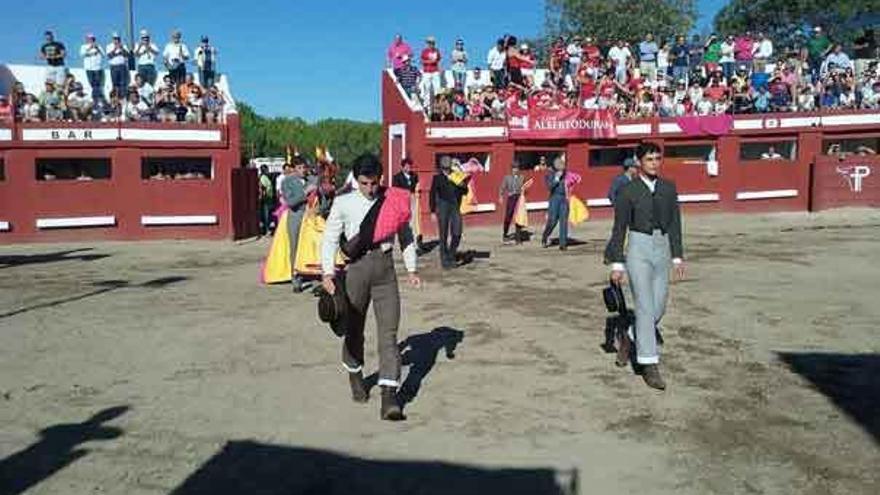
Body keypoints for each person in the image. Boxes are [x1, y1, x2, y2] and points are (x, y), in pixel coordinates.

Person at [321, 153, 421, 421]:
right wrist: (327, 273)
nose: (370, 189)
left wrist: (411, 269)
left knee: (388, 333)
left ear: (381, 178)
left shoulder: (393, 200)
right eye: (364, 183)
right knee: (354, 329)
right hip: (356, 270)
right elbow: (330, 238)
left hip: (386, 270)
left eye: (374, 183)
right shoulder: (343, 202)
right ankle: (355, 374)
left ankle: (389, 397)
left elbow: (406, 235)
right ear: (356, 179)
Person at [604, 141, 685, 391]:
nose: (654, 163)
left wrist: (677, 257)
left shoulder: (669, 189)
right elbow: (619, 229)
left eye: (657, 159)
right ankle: (649, 364)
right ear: (639, 162)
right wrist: (617, 263)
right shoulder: (628, 192)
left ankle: (630, 336)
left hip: (661, 247)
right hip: (638, 247)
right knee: (645, 307)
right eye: (649, 159)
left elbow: (674, 223)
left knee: (658, 307)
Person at [281, 157, 316, 292]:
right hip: (296, 216)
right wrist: (305, 192)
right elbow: (290, 202)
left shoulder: (312, 179)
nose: (303, 170)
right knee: (295, 247)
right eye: (299, 168)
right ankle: (296, 279)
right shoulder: (287, 181)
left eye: (304, 167)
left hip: (311, 217)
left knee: (312, 246)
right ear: (294, 169)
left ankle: (313, 275)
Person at [430, 156, 468, 269]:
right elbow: (432, 194)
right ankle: (444, 260)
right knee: (443, 234)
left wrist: (462, 185)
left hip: (455, 205)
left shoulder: (456, 176)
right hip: (442, 206)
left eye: (448, 167)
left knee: (457, 232)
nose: (447, 170)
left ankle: (451, 255)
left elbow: (465, 191)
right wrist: (432, 210)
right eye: (445, 168)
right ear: (442, 168)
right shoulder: (437, 178)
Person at [541, 156, 570, 250]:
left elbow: (571, 183)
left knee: (564, 221)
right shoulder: (550, 174)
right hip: (554, 198)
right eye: (559, 164)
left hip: (564, 199)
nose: (561, 166)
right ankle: (545, 237)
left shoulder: (566, 174)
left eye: (562, 164)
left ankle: (563, 244)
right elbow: (550, 187)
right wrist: (557, 178)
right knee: (552, 221)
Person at [392, 157, 421, 246]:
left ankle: (415, 242)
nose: (409, 168)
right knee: (404, 221)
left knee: (413, 219)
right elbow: (395, 191)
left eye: (410, 166)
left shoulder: (414, 176)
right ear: (403, 167)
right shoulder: (397, 177)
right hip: (402, 200)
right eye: (407, 166)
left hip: (412, 199)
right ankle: (405, 241)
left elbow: (417, 186)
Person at [499, 162, 525, 244]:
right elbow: (502, 188)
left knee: (518, 217)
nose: (515, 170)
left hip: (519, 198)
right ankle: (505, 233)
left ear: (518, 169)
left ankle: (518, 238)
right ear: (511, 169)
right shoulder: (507, 178)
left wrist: (524, 193)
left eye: (516, 168)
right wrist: (501, 196)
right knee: (508, 216)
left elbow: (525, 188)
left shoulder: (522, 177)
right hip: (511, 198)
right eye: (514, 168)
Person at [79, 34, 105, 101]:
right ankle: (96, 96)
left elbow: (103, 54)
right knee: (92, 83)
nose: (91, 40)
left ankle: (96, 96)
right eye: (89, 39)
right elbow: (82, 54)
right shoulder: (84, 46)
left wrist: (97, 48)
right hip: (89, 68)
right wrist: (90, 48)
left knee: (98, 84)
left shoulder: (98, 46)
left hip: (97, 68)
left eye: (92, 39)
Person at [419, 36, 442, 105]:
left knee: (437, 88)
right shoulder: (424, 51)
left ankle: (438, 103)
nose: (431, 44)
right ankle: (426, 104)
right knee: (427, 88)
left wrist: (433, 62)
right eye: (429, 42)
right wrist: (429, 62)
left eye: (432, 43)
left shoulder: (436, 51)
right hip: (427, 72)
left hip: (435, 71)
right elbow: (422, 61)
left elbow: (438, 60)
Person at [106, 33, 130, 97]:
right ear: (113, 39)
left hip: (122, 66)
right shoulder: (109, 46)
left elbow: (127, 54)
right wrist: (115, 49)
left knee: (123, 83)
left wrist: (121, 48)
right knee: (115, 83)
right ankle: (116, 97)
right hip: (113, 66)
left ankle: (123, 97)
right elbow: (109, 56)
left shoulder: (124, 46)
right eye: (115, 39)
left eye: (118, 39)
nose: (116, 40)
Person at [258, 165, 275, 236]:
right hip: (266, 199)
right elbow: (263, 188)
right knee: (266, 215)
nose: (268, 171)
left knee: (268, 214)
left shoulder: (266, 177)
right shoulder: (263, 178)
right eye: (266, 170)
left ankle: (267, 229)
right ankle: (266, 230)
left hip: (268, 198)